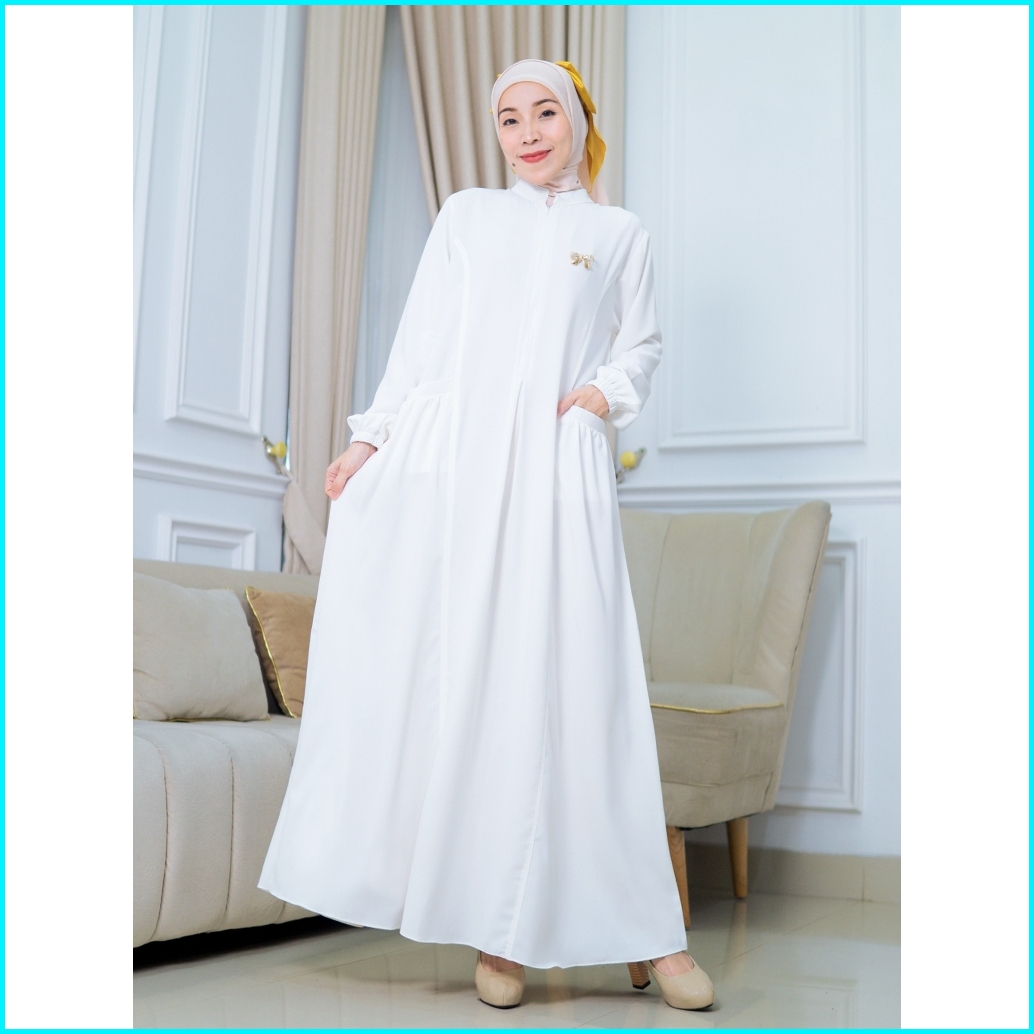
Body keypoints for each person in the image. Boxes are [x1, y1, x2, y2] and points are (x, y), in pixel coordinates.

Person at [259, 59, 714, 1012]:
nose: (528, 132)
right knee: (478, 687)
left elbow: (642, 344)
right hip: (461, 474)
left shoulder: (618, 234)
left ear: (578, 120)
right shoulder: (467, 217)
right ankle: (496, 933)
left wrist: (603, 395)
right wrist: (370, 439)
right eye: (509, 118)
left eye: (545, 112)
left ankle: (651, 932)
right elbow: (419, 343)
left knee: (583, 685)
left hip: (559, 470)